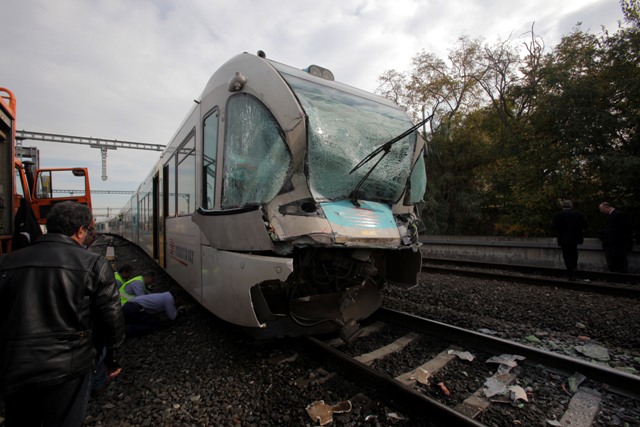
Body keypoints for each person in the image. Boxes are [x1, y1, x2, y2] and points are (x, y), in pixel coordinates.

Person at [0, 201, 125, 426]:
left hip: (14, 363)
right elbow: (111, 315)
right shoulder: (92, 263)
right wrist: (112, 357)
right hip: (68, 364)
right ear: (79, 231)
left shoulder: (7, 262)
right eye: (89, 230)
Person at [552, 200, 588, 279]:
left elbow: (554, 226)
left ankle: (570, 271)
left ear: (562, 206)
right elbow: (585, 224)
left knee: (566, 254)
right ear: (571, 206)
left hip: (564, 238)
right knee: (574, 252)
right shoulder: (578, 214)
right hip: (575, 237)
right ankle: (574, 267)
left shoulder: (558, 215)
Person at [599, 202, 633, 273]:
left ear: (607, 207)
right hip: (614, 241)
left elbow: (620, 229)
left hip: (618, 241)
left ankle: (621, 272)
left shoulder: (618, 215)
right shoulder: (614, 215)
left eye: (602, 209)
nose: (601, 211)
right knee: (616, 258)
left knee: (619, 258)